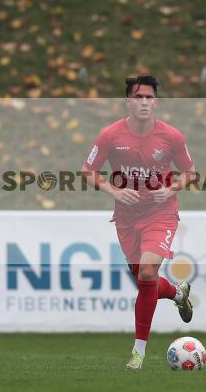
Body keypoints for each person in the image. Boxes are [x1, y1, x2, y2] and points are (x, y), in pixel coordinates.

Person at [81, 74, 197, 371]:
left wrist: (170, 190)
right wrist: (115, 191)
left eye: (149, 97)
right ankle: (177, 293)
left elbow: (190, 173)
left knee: (146, 273)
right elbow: (87, 171)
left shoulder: (171, 136)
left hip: (161, 214)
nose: (144, 102)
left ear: (155, 103)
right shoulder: (110, 135)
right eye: (138, 97)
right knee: (146, 281)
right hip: (126, 218)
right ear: (127, 102)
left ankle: (138, 352)